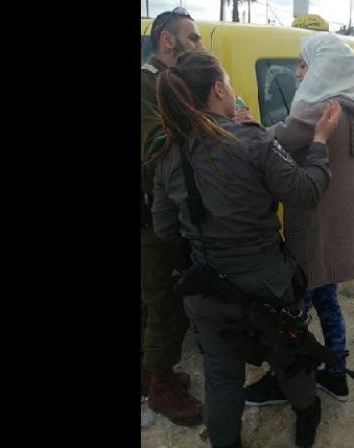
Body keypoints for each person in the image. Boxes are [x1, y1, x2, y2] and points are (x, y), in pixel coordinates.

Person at [151, 50, 343, 448]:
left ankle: (225, 441)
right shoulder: (253, 140)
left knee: (221, 376)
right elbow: (307, 192)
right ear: (219, 90)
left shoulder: (169, 155)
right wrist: (320, 141)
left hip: (207, 289)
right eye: (228, 82)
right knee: (289, 357)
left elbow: (165, 228)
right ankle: (307, 413)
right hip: (267, 286)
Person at [244, 32, 354, 405]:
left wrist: (245, 125)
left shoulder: (318, 110)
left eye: (304, 65)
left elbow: (270, 142)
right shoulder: (348, 106)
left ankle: (285, 380)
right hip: (337, 229)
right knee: (328, 302)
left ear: (323, 69)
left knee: (293, 314)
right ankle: (336, 375)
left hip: (316, 231)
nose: (298, 73)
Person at [140, 7, 204, 426]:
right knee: (164, 304)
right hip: (152, 218)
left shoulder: (167, 82)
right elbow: (154, 147)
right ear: (167, 40)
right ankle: (161, 389)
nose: (198, 44)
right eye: (192, 37)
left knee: (153, 302)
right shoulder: (149, 83)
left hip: (159, 214)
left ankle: (152, 375)